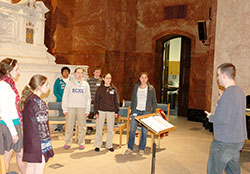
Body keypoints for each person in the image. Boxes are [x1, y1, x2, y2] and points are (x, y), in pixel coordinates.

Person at [205, 63, 247, 174]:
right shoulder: (239, 92)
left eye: (218, 75)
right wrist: (222, 98)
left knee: (213, 170)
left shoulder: (228, 94)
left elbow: (222, 118)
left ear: (224, 75)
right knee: (233, 171)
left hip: (224, 142)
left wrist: (211, 117)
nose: (217, 78)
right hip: (237, 140)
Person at [20, 74, 54, 174]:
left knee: (30, 168)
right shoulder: (39, 103)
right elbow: (43, 127)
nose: (48, 87)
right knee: (39, 169)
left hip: (29, 140)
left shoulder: (28, 99)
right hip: (38, 142)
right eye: (46, 85)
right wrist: (47, 146)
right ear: (39, 87)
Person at [0, 58, 26, 174]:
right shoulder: (3, 86)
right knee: (7, 156)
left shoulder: (9, 84)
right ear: (8, 71)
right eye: (16, 69)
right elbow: (4, 111)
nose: (18, 72)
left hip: (14, 123)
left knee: (20, 154)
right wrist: (13, 132)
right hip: (9, 125)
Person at [124, 72, 157, 155]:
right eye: (142, 77)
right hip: (136, 111)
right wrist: (132, 109)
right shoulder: (136, 87)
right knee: (132, 130)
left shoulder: (151, 88)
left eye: (145, 77)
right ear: (139, 78)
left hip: (146, 111)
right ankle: (130, 148)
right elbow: (133, 98)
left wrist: (153, 113)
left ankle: (141, 148)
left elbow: (154, 101)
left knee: (144, 131)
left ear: (147, 79)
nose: (143, 79)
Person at [62, 67, 91, 150]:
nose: (80, 75)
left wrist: (87, 109)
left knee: (82, 126)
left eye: (81, 73)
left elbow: (88, 98)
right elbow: (65, 96)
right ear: (75, 73)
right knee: (69, 126)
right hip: (71, 107)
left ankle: (81, 142)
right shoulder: (69, 83)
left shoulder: (85, 84)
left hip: (82, 108)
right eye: (78, 72)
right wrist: (65, 109)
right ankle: (68, 142)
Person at [94, 73, 120, 152]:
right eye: (107, 78)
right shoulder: (99, 89)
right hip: (101, 111)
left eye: (110, 78)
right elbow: (96, 101)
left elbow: (117, 101)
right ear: (103, 79)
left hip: (111, 111)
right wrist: (96, 112)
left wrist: (116, 111)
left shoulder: (113, 89)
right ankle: (98, 145)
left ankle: (109, 145)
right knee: (99, 129)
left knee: (110, 130)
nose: (108, 80)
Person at [53, 66, 71, 132]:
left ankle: (71, 127)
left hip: (70, 101)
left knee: (70, 115)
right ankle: (59, 127)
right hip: (60, 101)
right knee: (61, 114)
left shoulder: (71, 81)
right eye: (64, 71)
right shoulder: (58, 80)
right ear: (62, 73)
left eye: (67, 71)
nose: (66, 73)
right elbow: (55, 91)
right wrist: (62, 99)